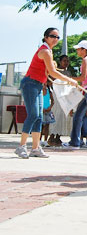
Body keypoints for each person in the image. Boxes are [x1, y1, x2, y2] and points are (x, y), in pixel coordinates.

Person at [15, 28, 78, 159]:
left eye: (57, 37)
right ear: (45, 37)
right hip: (30, 83)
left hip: (38, 84)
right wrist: (70, 80)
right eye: (52, 36)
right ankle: (21, 146)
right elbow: (53, 72)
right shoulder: (45, 51)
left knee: (39, 116)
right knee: (33, 115)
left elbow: (49, 72)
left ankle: (35, 148)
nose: (55, 39)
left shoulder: (49, 51)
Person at [49, 55, 73, 146]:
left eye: (67, 61)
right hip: (56, 96)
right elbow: (51, 82)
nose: (66, 62)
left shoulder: (68, 73)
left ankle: (58, 137)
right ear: (60, 62)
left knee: (63, 116)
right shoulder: (55, 71)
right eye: (64, 61)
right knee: (56, 116)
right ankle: (51, 136)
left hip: (65, 97)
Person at [40, 81, 55, 146]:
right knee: (41, 126)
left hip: (48, 110)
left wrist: (50, 107)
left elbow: (52, 100)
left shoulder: (49, 91)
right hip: (41, 110)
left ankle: (45, 140)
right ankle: (39, 140)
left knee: (47, 126)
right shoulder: (39, 91)